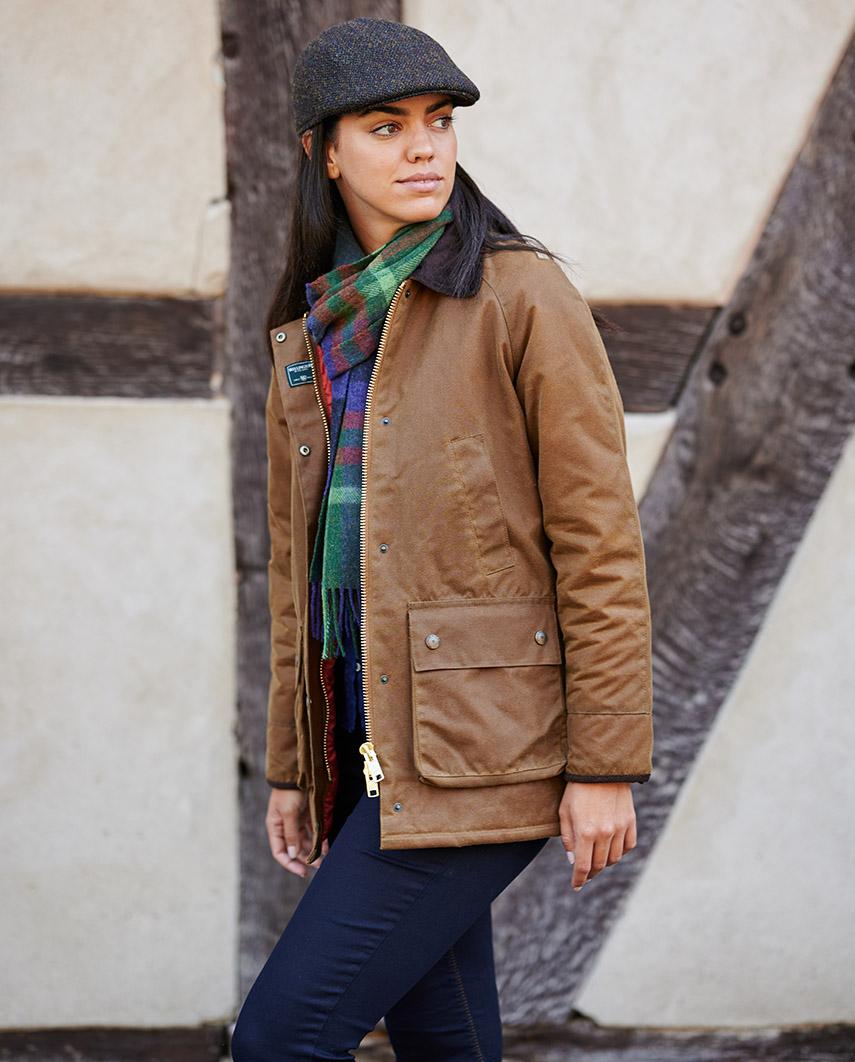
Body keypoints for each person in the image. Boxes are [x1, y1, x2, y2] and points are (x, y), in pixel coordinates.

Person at [231, 15, 653, 1062]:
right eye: (386, 127)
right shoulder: (314, 327)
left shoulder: (521, 294)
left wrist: (605, 763)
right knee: (444, 1040)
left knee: (279, 1039)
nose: (423, 148)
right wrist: (293, 761)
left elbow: (599, 544)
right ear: (325, 153)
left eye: (439, 121)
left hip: (489, 742)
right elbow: (296, 569)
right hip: (371, 731)